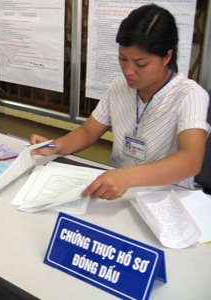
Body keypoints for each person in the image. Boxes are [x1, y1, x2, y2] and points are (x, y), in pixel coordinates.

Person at [30, 4, 210, 200]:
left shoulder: (190, 95)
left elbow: (190, 160)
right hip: (119, 194)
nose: (128, 71)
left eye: (141, 64)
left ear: (167, 56)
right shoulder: (119, 87)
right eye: (123, 59)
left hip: (166, 198)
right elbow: (87, 131)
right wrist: (54, 146)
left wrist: (128, 176)